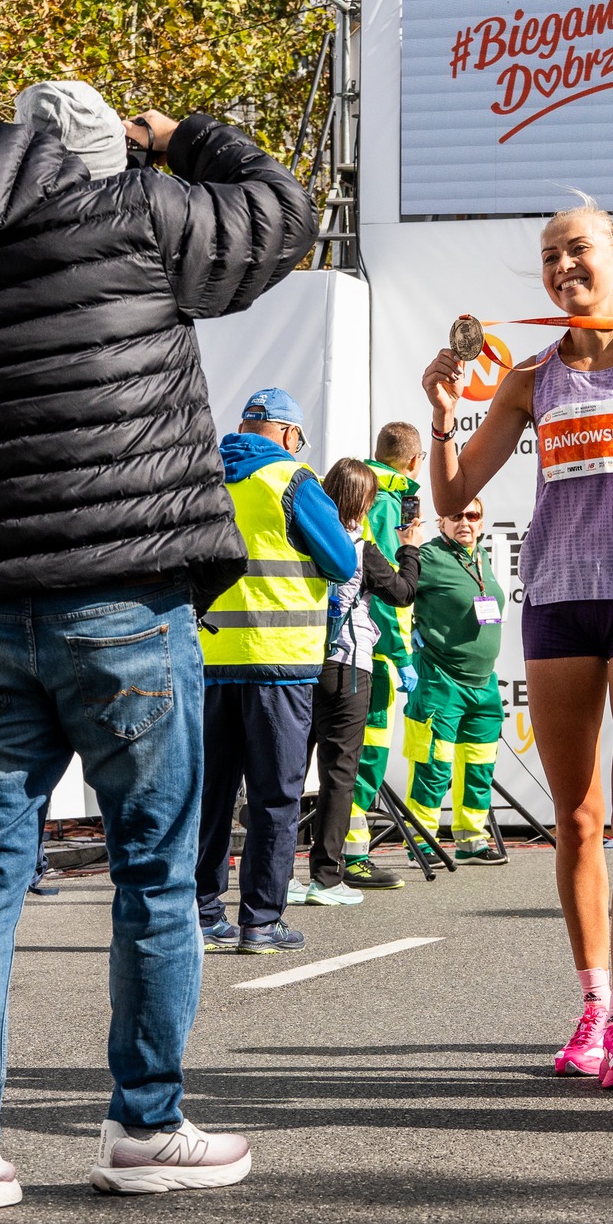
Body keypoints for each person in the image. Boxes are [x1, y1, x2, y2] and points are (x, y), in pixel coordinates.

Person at [0, 79, 315, 1215]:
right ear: (102, 158)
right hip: (123, 598)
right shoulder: (131, 213)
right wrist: (181, 139)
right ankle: (143, 1124)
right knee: (153, 875)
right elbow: (279, 211)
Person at [420, 195, 613, 1091]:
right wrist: (441, 413)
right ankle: (591, 1007)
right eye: (551, 254)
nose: (563, 267)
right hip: (557, 603)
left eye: (579, 250)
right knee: (575, 821)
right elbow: (453, 496)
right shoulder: (529, 377)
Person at [196, 389, 359, 951]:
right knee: (274, 796)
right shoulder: (293, 480)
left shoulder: (206, 477)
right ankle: (261, 920)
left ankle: (201, 911)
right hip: (280, 662)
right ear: (290, 435)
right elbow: (341, 561)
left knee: (210, 792)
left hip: (212, 659)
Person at [305, 459, 422, 906]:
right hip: (349, 664)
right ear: (365, 502)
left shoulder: (304, 538)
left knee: (289, 770)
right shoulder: (360, 546)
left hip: (300, 663)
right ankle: (326, 876)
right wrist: (410, 549)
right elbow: (402, 593)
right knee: (339, 772)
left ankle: (276, 878)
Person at [403, 496, 509, 863]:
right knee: (434, 765)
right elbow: (394, 594)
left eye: (473, 515)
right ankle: (422, 841)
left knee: (479, 765)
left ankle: (471, 840)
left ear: (482, 521)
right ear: (442, 522)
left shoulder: (481, 556)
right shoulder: (430, 557)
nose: (465, 522)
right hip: (440, 679)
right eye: (455, 515)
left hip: (483, 683)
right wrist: (408, 642)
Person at [345, 422, 425, 890]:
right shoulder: (389, 499)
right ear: (414, 461)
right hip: (374, 648)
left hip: (344, 643)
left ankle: (337, 852)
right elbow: (391, 587)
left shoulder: (358, 486)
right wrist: (402, 655)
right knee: (367, 753)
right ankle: (351, 856)